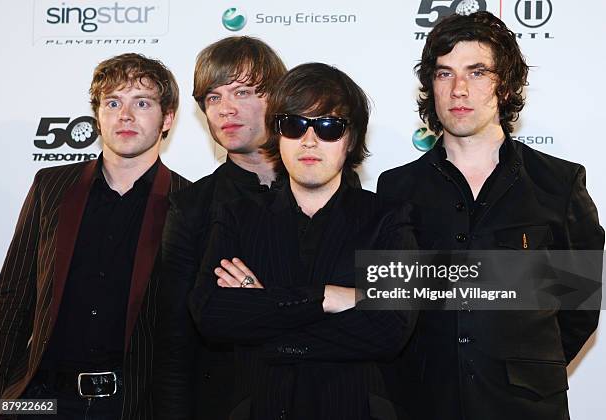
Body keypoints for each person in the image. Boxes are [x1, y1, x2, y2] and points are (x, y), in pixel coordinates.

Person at [377, 11, 604, 420]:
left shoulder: (559, 183)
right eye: (445, 74)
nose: (459, 90)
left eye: (477, 72)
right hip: (425, 403)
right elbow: (392, 308)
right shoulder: (396, 190)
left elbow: (579, 309)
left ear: (505, 84)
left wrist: (526, 370)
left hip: (525, 407)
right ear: (430, 86)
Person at [189, 62, 417, 420]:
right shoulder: (238, 216)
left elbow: (390, 329)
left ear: (351, 139)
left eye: (328, 127)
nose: (309, 141)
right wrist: (328, 297)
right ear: (277, 135)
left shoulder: (385, 218)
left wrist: (265, 310)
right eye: (294, 125)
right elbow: (212, 315)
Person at [0, 53, 189, 418]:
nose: (125, 115)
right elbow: (12, 297)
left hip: (131, 405)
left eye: (142, 103)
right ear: (98, 117)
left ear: (168, 119)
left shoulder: (190, 202)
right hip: (39, 400)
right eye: (112, 102)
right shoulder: (51, 186)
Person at [155, 36, 287, 419]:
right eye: (213, 98)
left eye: (242, 92)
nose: (226, 110)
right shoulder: (191, 207)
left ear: (277, 98)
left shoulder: (332, 192)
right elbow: (174, 343)